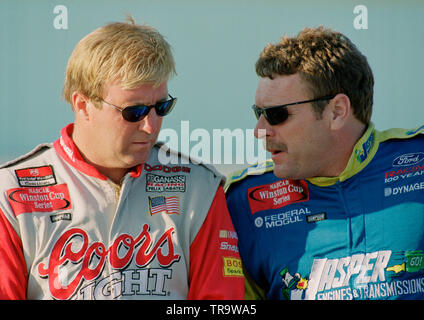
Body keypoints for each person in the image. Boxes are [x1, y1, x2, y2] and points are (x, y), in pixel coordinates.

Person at [0, 18, 244, 300]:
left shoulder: (198, 188)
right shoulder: (11, 193)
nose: (151, 126)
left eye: (162, 107)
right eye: (134, 112)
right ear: (83, 105)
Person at [225, 26, 424, 300]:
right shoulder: (242, 202)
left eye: (276, 114)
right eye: (258, 113)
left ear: (337, 112)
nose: (260, 130)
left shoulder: (418, 162)